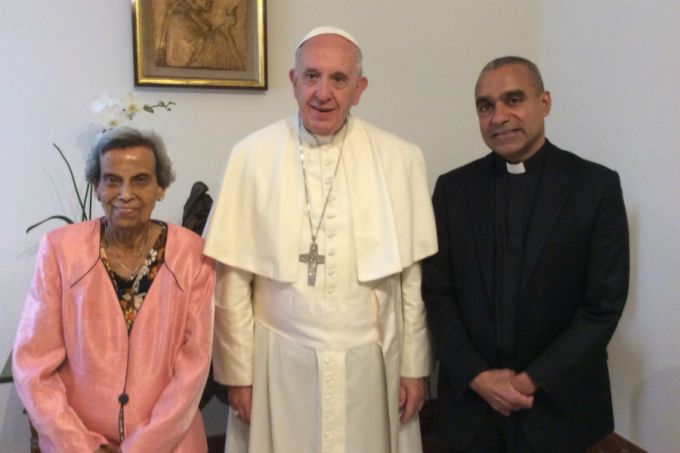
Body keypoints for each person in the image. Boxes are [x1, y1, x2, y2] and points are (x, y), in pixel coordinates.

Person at [203, 26, 437, 453]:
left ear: (359, 88)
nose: (323, 93)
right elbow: (233, 278)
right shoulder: (251, 156)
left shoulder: (400, 159)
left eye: (338, 79)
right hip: (279, 360)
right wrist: (238, 374)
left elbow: (410, 281)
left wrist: (414, 367)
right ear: (294, 82)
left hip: (371, 363)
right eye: (312, 76)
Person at [422, 56, 629, 453]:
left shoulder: (595, 187)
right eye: (486, 106)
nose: (499, 116)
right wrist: (479, 377)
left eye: (513, 99)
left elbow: (602, 306)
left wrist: (529, 381)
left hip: (559, 405)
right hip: (472, 407)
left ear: (544, 102)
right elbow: (437, 293)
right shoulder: (452, 190)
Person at [13, 127, 215, 453]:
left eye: (140, 179)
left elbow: (193, 369)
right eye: (111, 180)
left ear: (160, 187)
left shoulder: (193, 255)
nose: (125, 193)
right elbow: (33, 366)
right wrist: (81, 445)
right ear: (96, 187)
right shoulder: (60, 250)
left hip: (170, 444)